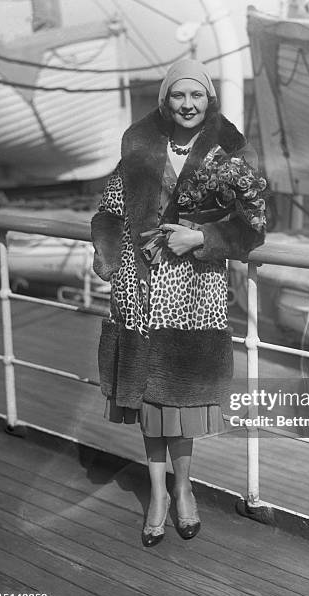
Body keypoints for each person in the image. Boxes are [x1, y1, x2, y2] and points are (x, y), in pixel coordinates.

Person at [91, 58, 265, 547]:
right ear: (165, 101)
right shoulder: (141, 147)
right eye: (178, 96)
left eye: (197, 96)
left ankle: (183, 489)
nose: (187, 105)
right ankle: (157, 494)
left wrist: (204, 237)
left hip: (193, 290)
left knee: (181, 396)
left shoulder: (229, 151)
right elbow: (109, 210)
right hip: (141, 287)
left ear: (209, 100)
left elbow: (252, 226)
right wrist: (108, 259)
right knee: (149, 396)